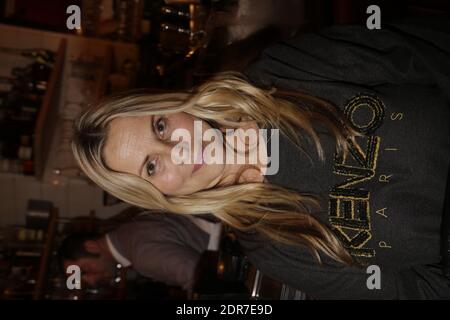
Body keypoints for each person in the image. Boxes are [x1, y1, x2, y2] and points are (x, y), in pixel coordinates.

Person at [71, 17, 450, 299]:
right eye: (151, 167)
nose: (177, 150)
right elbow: (417, 293)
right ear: (158, 197)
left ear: (171, 105)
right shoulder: (274, 247)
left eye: (159, 127)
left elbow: (429, 50)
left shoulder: (284, 74)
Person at [58, 212, 218, 293]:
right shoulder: (128, 231)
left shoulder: (140, 255)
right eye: (85, 281)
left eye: (84, 271)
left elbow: (200, 279)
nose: (92, 282)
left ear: (92, 246)